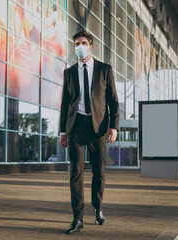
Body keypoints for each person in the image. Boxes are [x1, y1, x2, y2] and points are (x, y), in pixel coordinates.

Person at [59, 30, 119, 234]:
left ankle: (98, 208)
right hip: (76, 127)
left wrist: (114, 126)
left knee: (98, 172)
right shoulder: (69, 73)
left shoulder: (105, 70)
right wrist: (62, 131)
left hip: (98, 128)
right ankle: (77, 218)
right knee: (75, 172)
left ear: (91, 46)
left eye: (83, 43)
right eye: (76, 43)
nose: (79, 46)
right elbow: (65, 104)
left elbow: (113, 101)